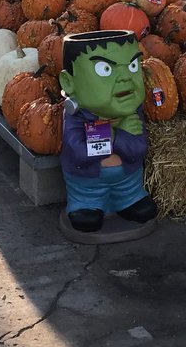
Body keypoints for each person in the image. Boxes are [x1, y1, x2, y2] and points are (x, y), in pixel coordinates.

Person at [58, 29, 158, 235]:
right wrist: (115, 134)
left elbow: (138, 149)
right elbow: (79, 152)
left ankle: (128, 201)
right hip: (87, 186)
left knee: (143, 208)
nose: (125, 79)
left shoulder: (132, 112)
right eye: (105, 69)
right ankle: (86, 205)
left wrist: (101, 135)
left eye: (132, 66)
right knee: (87, 218)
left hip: (128, 183)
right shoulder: (75, 117)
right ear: (69, 83)